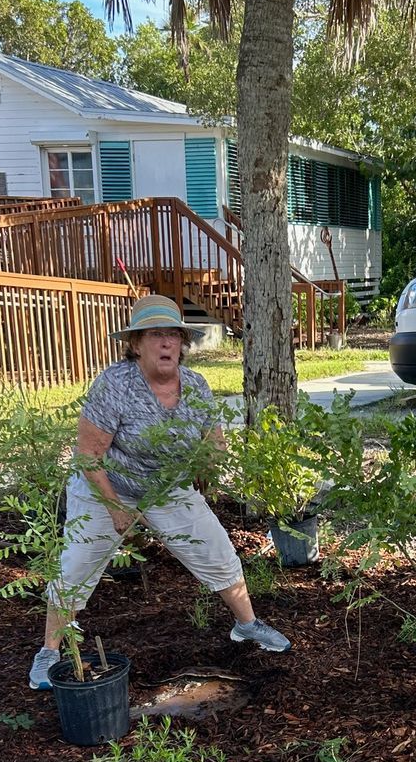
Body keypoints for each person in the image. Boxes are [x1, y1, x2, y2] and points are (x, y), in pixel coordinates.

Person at [28, 295, 291, 690]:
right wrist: (116, 509)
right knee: (75, 567)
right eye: (155, 335)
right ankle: (49, 651)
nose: (166, 343)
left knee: (218, 553)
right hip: (105, 485)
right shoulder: (116, 385)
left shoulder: (198, 386)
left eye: (173, 335)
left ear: (183, 344)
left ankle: (247, 626)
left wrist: (210, 468)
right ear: (136, 344)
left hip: (166, 487)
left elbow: (212, 441)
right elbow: (87, 454)